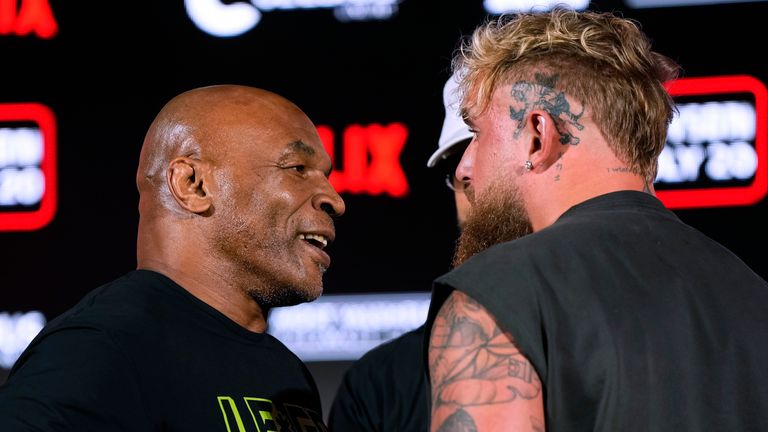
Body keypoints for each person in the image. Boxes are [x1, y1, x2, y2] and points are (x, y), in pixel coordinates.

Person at [426, 8, 768, 432]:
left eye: (477, 134)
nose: (464, 168)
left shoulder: (496, 295)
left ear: (537, 134)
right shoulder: (754, 293)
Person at [0, 84, 345, 430]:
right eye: (298, 168)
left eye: (326, 176)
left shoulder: (286, 372)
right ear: (192, 184)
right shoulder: (99, 348)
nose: (335, 199)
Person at [327, 71, 473, 431]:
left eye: (491, 148)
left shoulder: (618, 338)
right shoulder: (380, 385)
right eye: (455, 165)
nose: (469, 173)